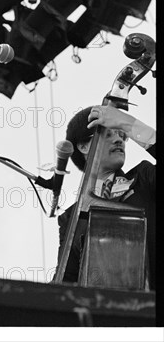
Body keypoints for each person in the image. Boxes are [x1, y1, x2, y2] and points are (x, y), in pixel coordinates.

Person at [56, 105, 156, 288]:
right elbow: (65, 281)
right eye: (108, 134)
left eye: (122, 134)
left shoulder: (143, 177)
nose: (119, 140)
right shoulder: (70, 216)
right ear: (84, 146)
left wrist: (130, 125)